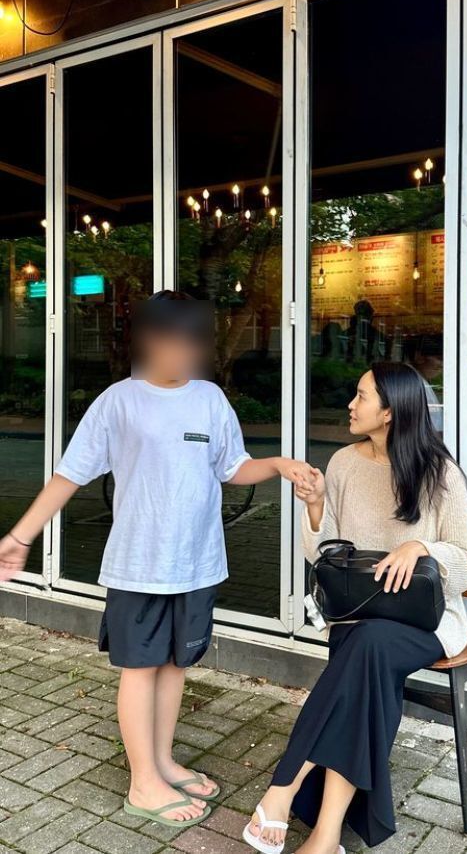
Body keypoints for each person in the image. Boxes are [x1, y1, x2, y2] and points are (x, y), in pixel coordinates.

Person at [0, 290, 315, 829]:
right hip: (139, 564)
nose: (183, 354)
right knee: (140, 668)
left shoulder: (210, 399)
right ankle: (142, 781)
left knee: (175, 665)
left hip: (198, 563)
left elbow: (231, 467)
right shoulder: (119, 401)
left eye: (193, 344)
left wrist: (278, 465)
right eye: (172, 342)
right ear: (146, 340)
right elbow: (71, 474)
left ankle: (163, 761)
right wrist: (20, 535)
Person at [244, 361, 467, 854]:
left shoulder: (440, 474)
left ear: (390, 412)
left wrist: (422, 548)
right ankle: (326, 836)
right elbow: (324, 555)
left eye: (361, 396)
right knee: (368, 667)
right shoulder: (343, 464)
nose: (350, 405)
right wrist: (315, 505)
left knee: (365, 649)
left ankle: (285, 785)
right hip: (360, 614)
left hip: (429, 622)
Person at [403, 334, 443, 434]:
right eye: (439, 358)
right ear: (419, 357)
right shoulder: (409, 382)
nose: (442, 365)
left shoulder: (419, 380)